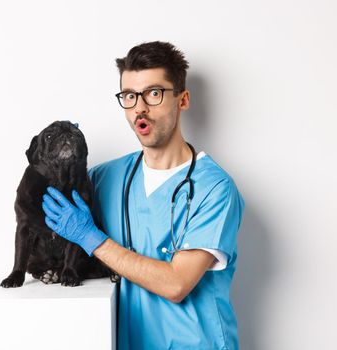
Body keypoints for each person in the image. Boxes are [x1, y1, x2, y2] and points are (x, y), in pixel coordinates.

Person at [42, 41, 245, 350]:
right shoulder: (104, 178)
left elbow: (176, 284)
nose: (139, 107)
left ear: (183, 100)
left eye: (154, 93)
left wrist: (91, 237)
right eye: (129, 96)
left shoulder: (214, 189)